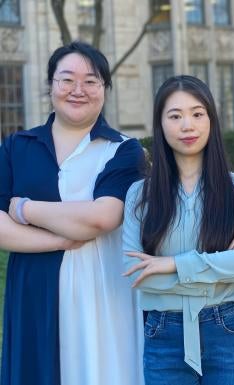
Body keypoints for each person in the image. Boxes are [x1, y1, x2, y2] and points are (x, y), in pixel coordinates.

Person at [0, 41, 145, 385]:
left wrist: (23, 208)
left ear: (105, 90)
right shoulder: (17, 147)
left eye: (91, 81)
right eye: (66, 79)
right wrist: (59, 240)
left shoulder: (123, 150)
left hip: (104, 293)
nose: (78, 90)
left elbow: (101, 218)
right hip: (34, 289)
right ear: (50, 85)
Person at [122, 75, 234, 385]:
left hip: (230, 331)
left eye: (197, 113)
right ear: (160, 125)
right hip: (164, 333)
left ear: (211, 120)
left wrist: (171, 264)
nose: (187, 125)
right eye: (175, 116)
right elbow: (135, 271)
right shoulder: (140, 195)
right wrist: (225, 265)